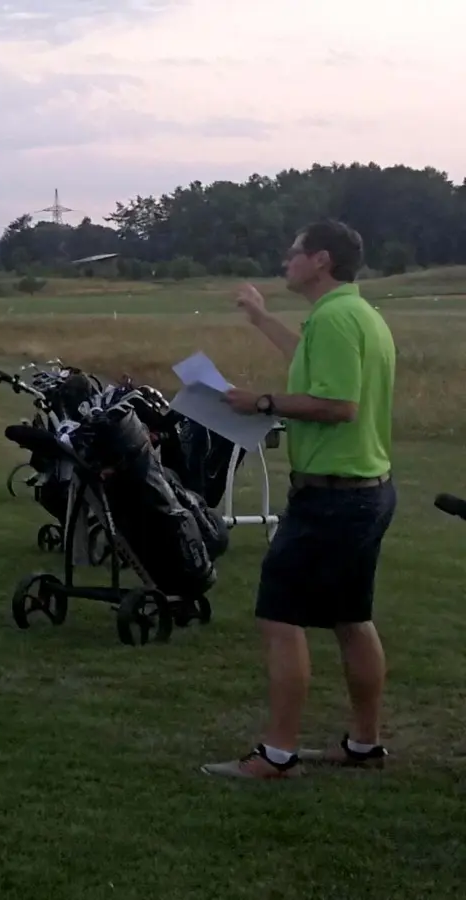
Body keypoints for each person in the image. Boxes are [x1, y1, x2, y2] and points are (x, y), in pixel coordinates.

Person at [203, 220, 398, 780]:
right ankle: (364, 744)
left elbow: (338, 405)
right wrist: (262, 319)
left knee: (279, 617)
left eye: (294, 254)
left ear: (320, 260)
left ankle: (276, 753)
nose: (286, 261)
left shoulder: (336, 317)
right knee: (351, 618)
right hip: (367, 490)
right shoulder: (355, 314)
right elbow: (313, 360)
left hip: (333, 498)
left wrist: (259, 402)